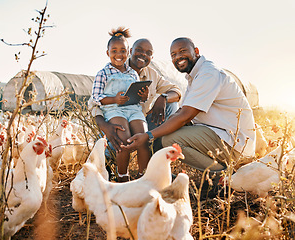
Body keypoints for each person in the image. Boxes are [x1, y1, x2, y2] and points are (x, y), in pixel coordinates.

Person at [123, 37, 256, 173]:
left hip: (233, 143)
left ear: (196, 51)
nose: (178, 57)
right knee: (163, 136)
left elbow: (185, 116)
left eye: (182, 51)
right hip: (219, 134)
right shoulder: (194, 76)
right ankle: (157, 175)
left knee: (168, 141)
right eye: (173, 55)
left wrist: (148, 135)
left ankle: (221, 176)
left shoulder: (208, 74)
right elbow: (181, 112)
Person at [90, 38, 182, 177]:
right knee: (121, 139)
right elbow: (94, 103)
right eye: (139, 50)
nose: (143, 55)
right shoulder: (107, 71)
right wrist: (105, 126)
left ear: (152, 56)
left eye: (148, 52)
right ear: (131, 51)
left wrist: (162, 98)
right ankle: (113, 167)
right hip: (113, 122)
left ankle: (149, 167)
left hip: (136, 116)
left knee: (171, 105)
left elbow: (176, 90)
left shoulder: (151, 74)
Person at [91, 27, 151, 182]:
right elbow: (96, 97)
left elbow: (137, 96)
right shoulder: (103, 73)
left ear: (128, 52)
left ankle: (143, 177)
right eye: (114, 51)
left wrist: (143, 96)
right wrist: (114, 100)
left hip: (133, 109)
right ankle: (122, 177)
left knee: (143, 138)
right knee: (123, 139)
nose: (119, 55)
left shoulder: (133, 73)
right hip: (114, 109)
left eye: (123, 51)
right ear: (107, 53)